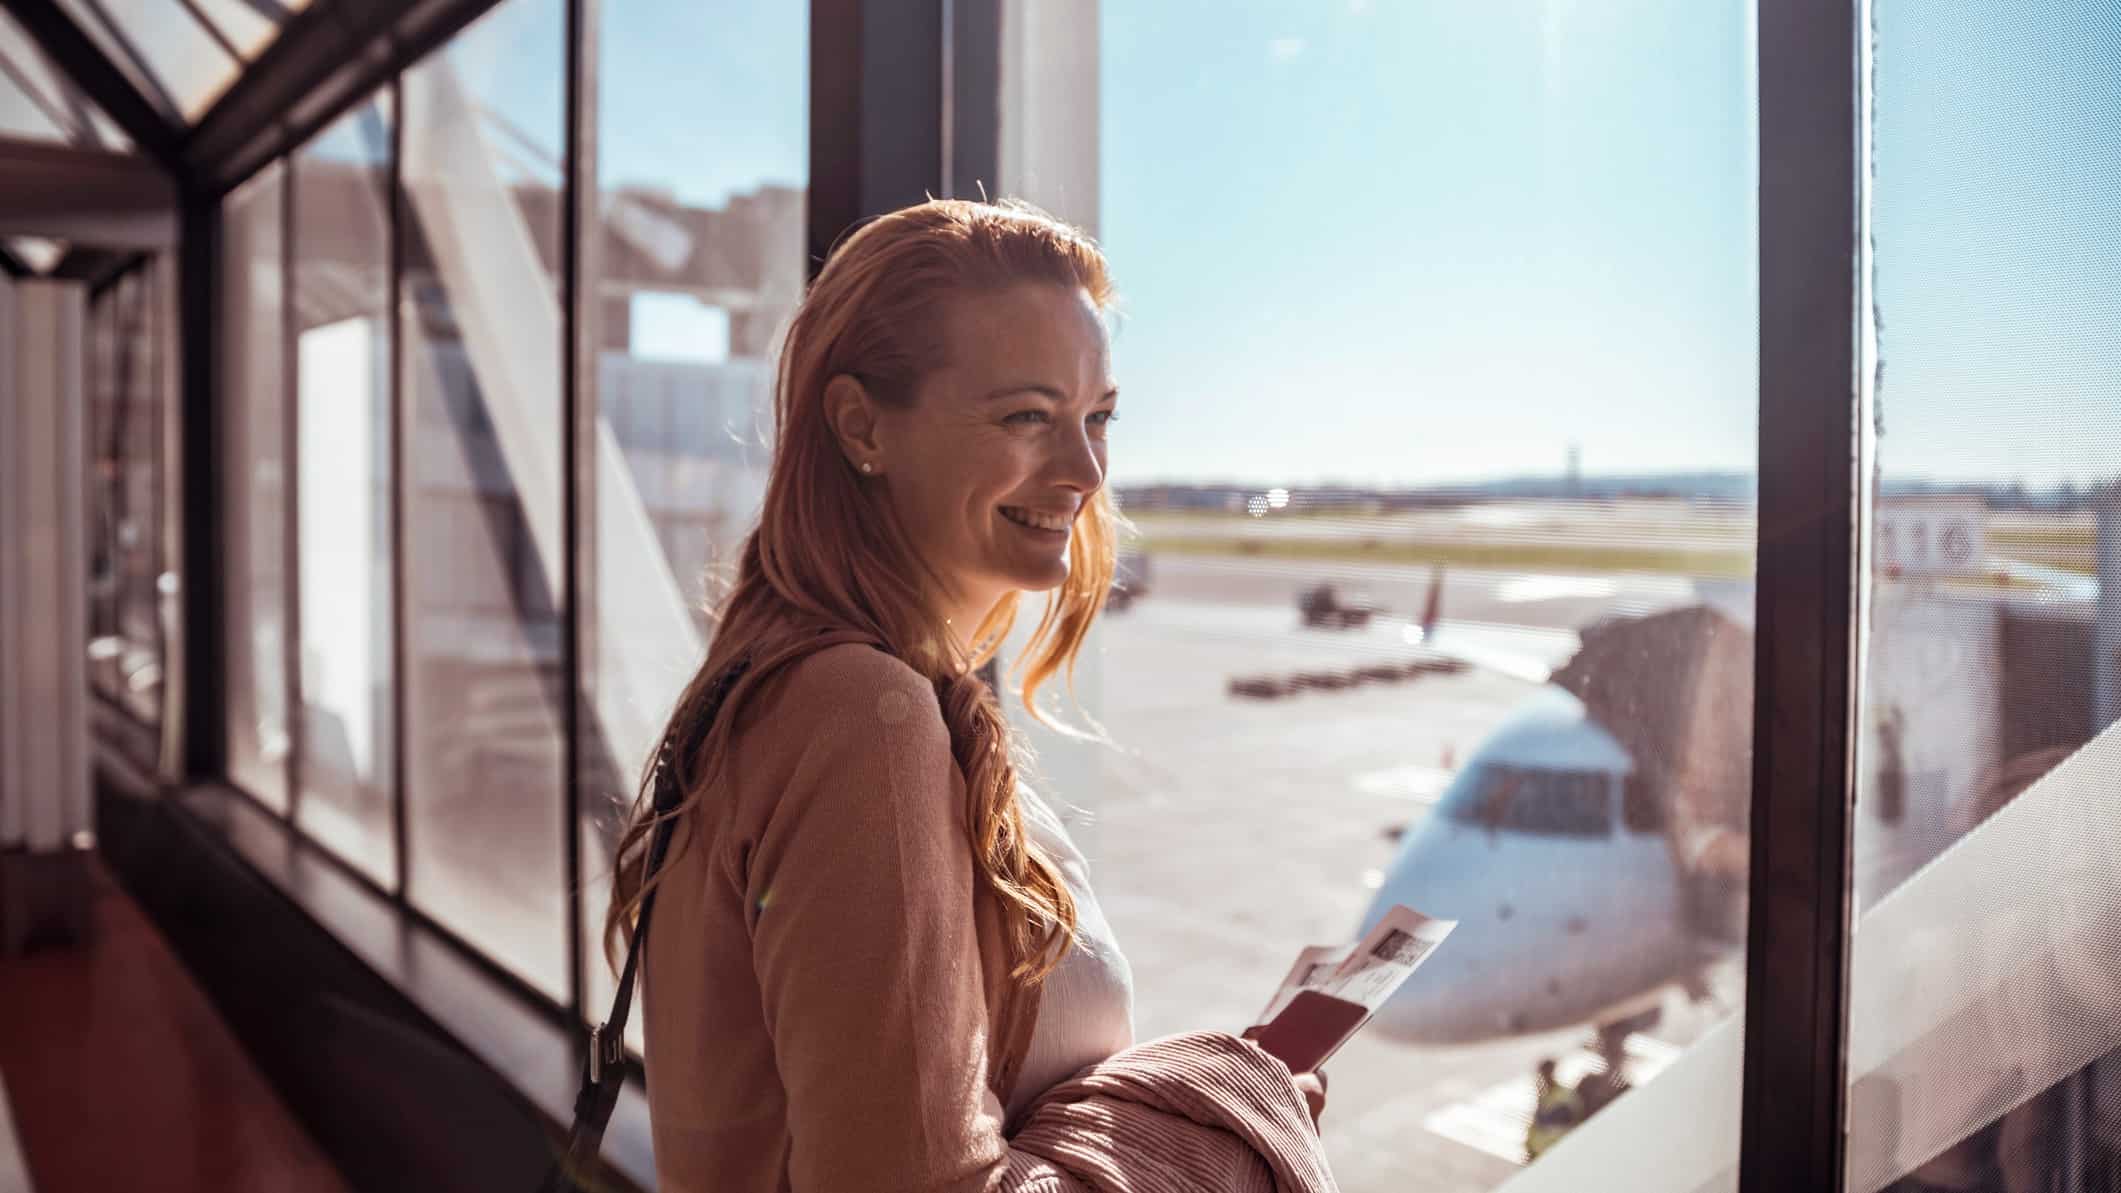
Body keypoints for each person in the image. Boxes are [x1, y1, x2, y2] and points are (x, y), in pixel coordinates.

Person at [600, 199, 1328, 1192]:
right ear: (863, 427)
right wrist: (1216, 1124)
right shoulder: (866, 716)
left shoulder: (788, 678)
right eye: (1027, 415)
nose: (1084, 470)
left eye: (1097, 416)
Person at [1526, 1058, 1583, 1161]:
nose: (1543, 1078)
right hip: (1538, 1153)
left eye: (1546, 1073)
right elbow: (1534, 1128)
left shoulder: (1565, 1095)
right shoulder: (1544, 1097)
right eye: (1541, 1074)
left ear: (1553, 1072)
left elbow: (1555, 1120)